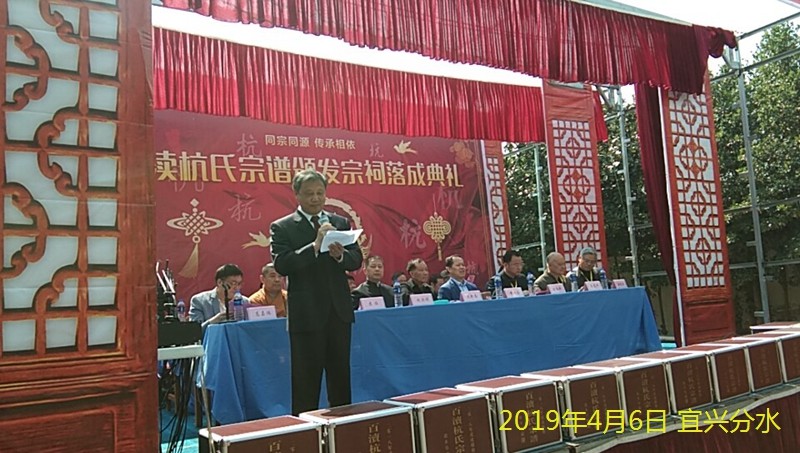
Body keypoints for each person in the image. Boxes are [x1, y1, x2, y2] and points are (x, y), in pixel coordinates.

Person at [271, 169, 363, 415]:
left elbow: (356, 259)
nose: (315, 198)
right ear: (297, 195)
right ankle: (304, 431)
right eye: (309, 193)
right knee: (306, 382)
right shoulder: (283, 227)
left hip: (338, 312)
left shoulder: (340, 222)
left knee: (340, 378)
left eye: (320, 193)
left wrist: (341, 256)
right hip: (306, 314)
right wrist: (314, 246)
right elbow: (282, 264)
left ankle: (343, 426)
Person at [188, 263, 247, 329]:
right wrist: (214, 321)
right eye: (233, 283)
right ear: (219, 282)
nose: (237, 287)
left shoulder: (245, 301)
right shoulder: (199, 301)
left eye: (239, 284)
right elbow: (194, 331)